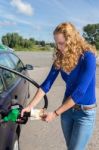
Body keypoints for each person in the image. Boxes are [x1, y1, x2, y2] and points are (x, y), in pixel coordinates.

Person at [21, 22, 97, 150]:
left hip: (85, 113)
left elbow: (80, 92)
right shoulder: (61, 58)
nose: (58, 47)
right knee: (71, 147)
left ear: (72, 40)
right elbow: (47, 84)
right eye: (56, 43)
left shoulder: (88, 57)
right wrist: (30, 106)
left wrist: (55, 114)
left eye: (61, 43)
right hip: (67, 111)